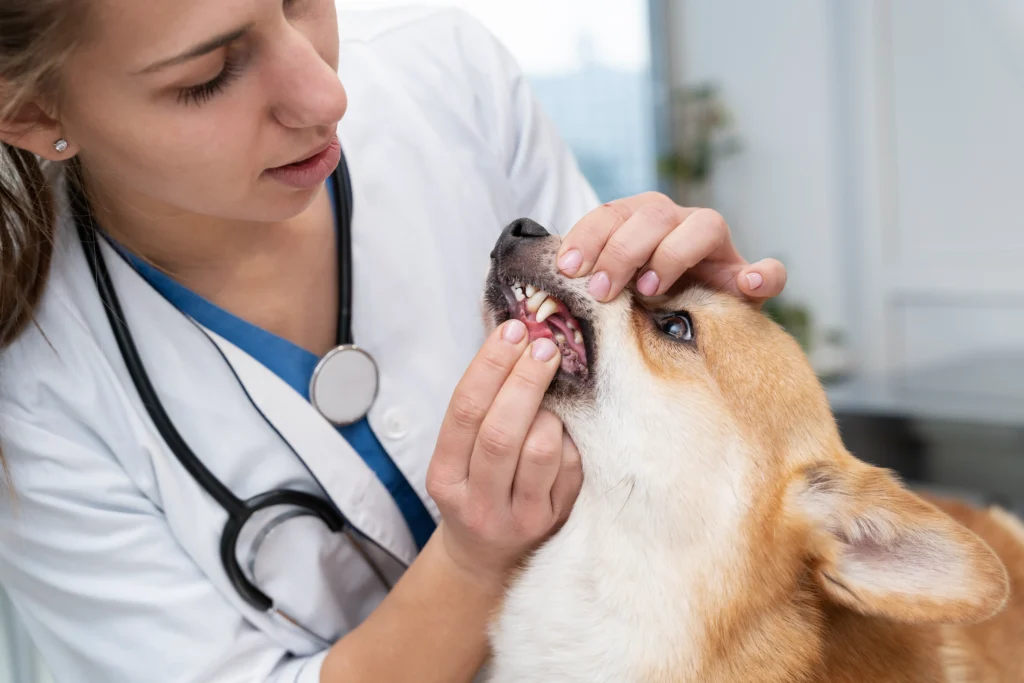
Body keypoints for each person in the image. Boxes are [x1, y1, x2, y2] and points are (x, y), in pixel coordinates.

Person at [0, 1, 787, 681]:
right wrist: (471, 559)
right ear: (33, 113)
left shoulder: (445, 77)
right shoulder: (35, 394)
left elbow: (646, 467)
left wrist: (681, 315)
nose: (327, 94)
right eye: (209, 75)